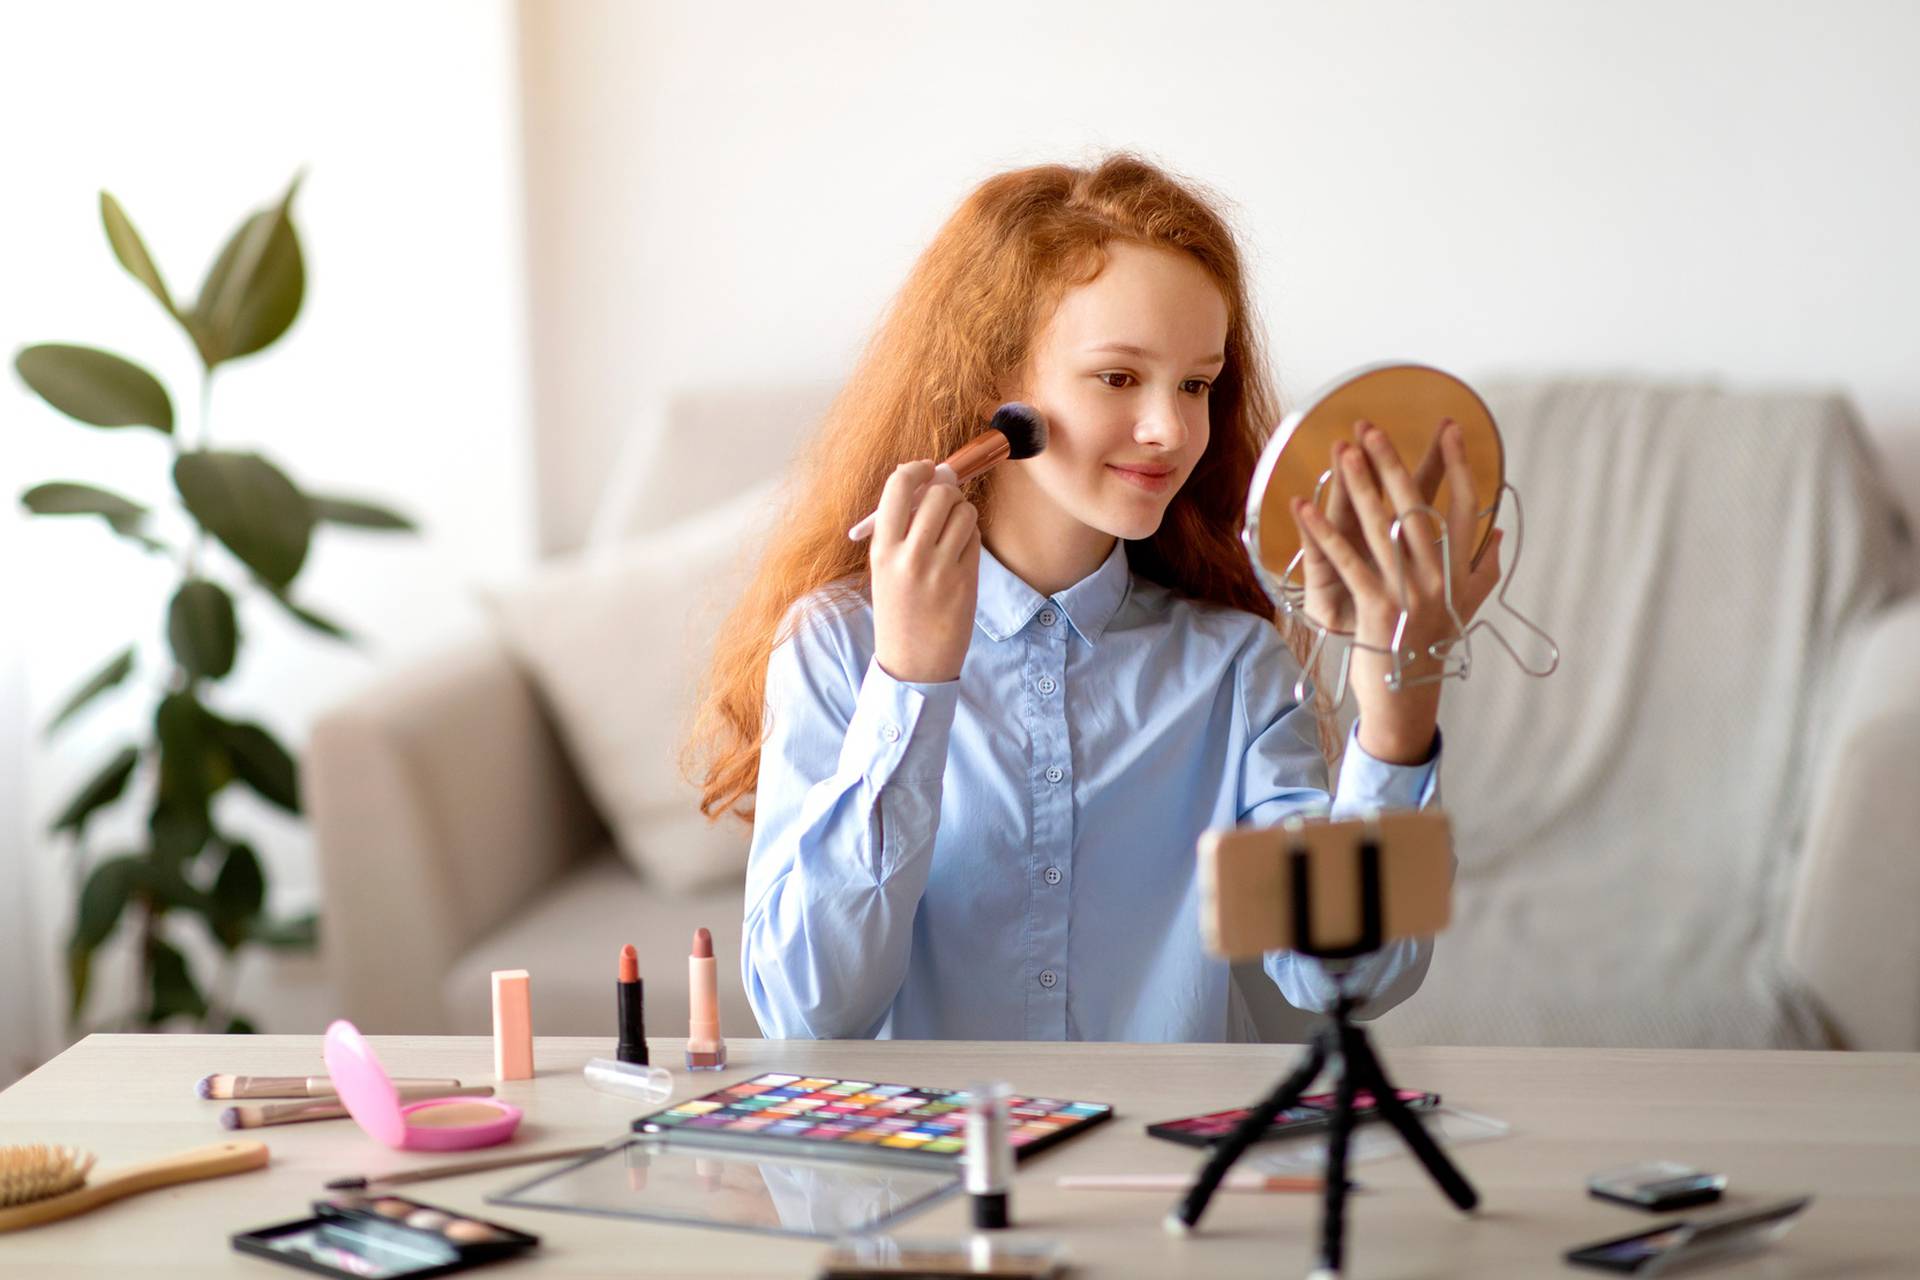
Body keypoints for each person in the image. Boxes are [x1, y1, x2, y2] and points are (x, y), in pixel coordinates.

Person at [687, 153, 1502, 1041]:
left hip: (1155, 1171)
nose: (1171, 430)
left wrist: (1398, 722)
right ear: (996, 390)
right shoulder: (839, 647)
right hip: (933, 1172)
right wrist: (912, 679)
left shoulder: (1232, 666)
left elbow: (1348, 979)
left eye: (1196, 383)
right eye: (1120, 377)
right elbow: (808, 1012)